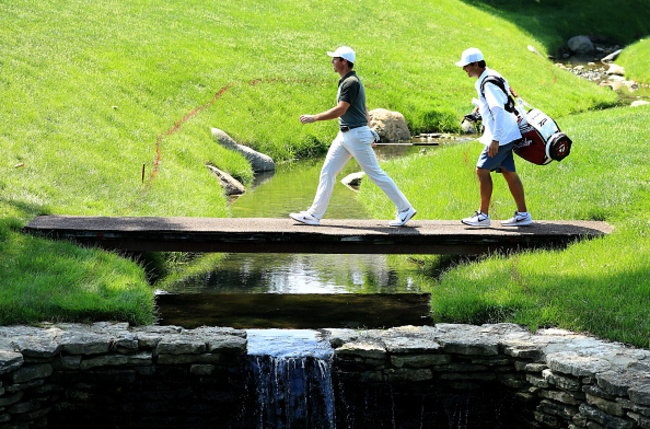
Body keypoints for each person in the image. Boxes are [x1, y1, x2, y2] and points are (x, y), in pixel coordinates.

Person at [289, 46, 417, 227]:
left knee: (375, 174)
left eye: (334, 59)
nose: (332, 62)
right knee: (327, 172)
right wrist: (370, 130)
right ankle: (314, 215)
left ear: (344, 61)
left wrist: (314, 118)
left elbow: (341, 109)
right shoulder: (347, 81)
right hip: (346, 135)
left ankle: (405, 209)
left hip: (355, 135)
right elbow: (363, 108)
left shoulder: (351, 82)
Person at [455, 47, 532, 227]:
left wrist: (495, 140)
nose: (464, 69)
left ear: (475, 64)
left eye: (465, 66)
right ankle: (523, 214)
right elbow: (500, 103)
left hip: (502, 135)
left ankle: (483, 216)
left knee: (481, 170)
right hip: (508, 131)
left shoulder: (487, 83)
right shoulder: (490, 75)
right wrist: (479, 109)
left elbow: (498, 109)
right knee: (508, 172)